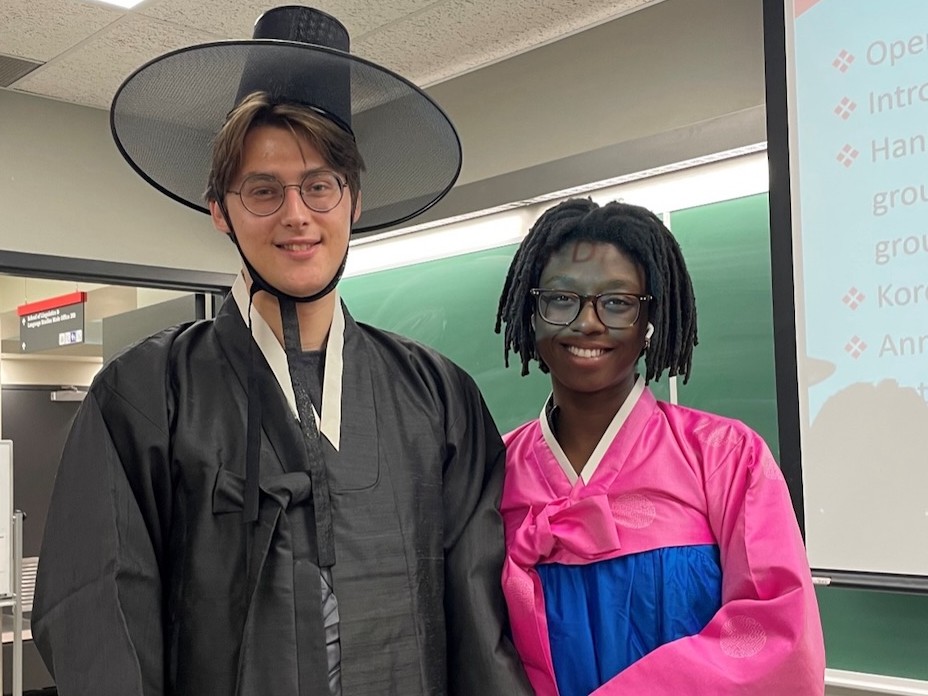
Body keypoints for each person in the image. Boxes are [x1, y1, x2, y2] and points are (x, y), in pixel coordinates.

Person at [32, 7, 531, 696]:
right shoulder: (147, 396)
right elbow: (98, 618)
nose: (296, 214)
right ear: (220, 210)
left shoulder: (438, 398)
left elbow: (481, 625)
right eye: (263, 190)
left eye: (320, 185)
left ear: (354, 199)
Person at [494, 198, 826, 695]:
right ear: (532, 313)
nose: (587, 323)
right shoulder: (489, 471)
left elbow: (778, 640)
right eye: (561, 299)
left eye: (618, 302)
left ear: (650, 321)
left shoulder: (725, 456)